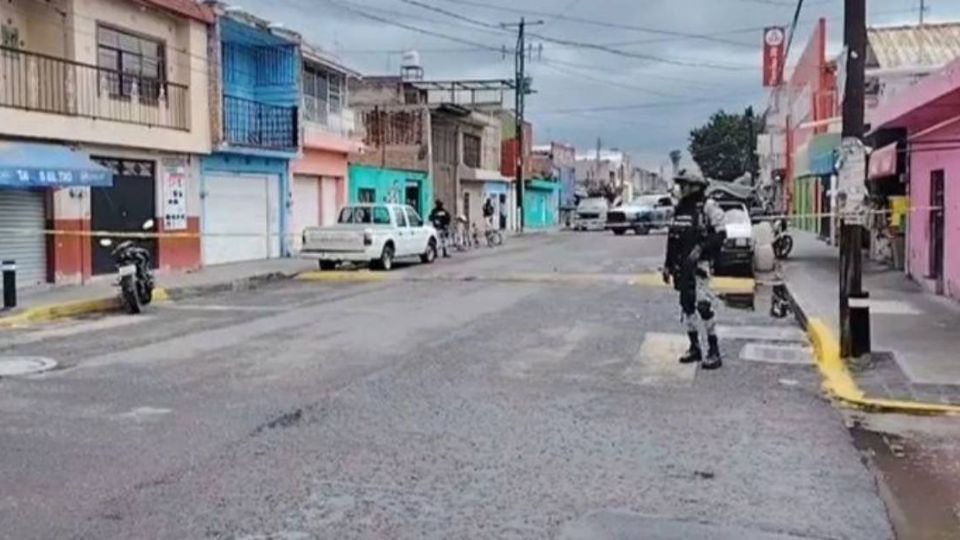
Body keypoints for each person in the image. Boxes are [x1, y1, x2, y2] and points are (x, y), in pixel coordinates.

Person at [662, 171, 727, 370]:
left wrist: (701, 249)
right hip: (682, 267)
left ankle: (714, 350)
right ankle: (694, 347)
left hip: (700, 266)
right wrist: (667, 265)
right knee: (687, 306)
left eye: (685, 185)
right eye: (680, 185)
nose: (681, 189)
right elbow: (673, 239)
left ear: (696, 187)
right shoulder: (680, 209)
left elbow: (721, 233)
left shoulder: (707, 207)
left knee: (703, 306)